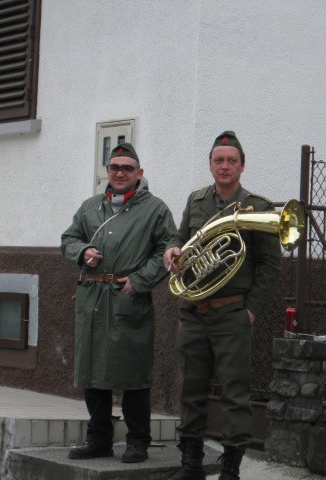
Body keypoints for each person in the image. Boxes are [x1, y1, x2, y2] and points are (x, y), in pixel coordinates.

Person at [163, 131, 281, 480]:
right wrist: (172, 250)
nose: (225, 166)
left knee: (234, 393)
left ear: (242, 166)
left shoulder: (256, 206)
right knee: (191, 390)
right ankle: (191, 465)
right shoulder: (196, 200)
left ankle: (231, 469)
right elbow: (180, 238)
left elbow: (271, 265)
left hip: (232, 313)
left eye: (231, 160)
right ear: (211, 165)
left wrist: (251, 309)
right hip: (195, 311)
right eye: (219, 160)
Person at [61, 143, 176, 462]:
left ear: (139, 173)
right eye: (115, 167)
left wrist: (140, 280)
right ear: (107, 172)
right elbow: (68, 239)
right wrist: (82, 252)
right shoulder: (90, 207)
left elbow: (168, 250)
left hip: (128, 299)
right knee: (91, 371)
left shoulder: (155, 209)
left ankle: (138, 440)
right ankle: (99, 438)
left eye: (127, 168)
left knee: (133, 373)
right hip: (91, 298)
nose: (120, 172)